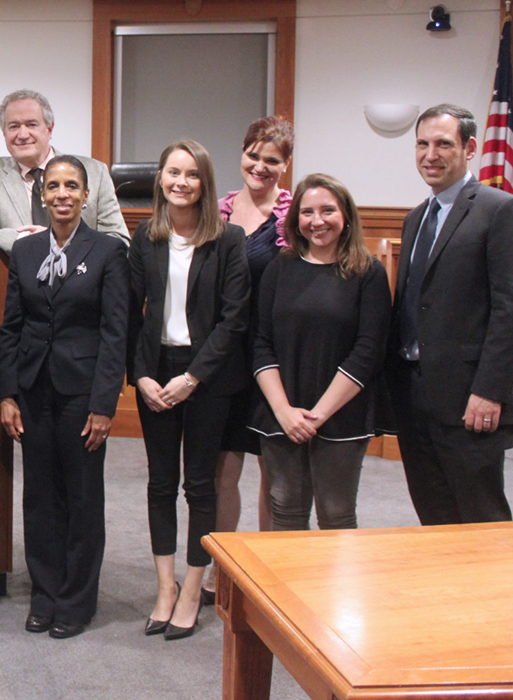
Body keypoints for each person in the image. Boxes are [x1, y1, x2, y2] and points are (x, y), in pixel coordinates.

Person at [0, 155, 129, 639]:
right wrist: (7, 393)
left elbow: (116, 334)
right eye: (53, 186)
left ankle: (76, 600)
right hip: (33, 390)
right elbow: (11, 327)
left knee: (81, 497)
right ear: (42, 194)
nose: (62, 194)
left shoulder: (108, 251)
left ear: (86, 194)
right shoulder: (27, 252)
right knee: (39, 497)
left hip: (82, 394)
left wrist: (104, 404)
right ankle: (45, 594)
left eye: (72, 186)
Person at [127, 140, 248, 640]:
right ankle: (165, 588)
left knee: (199, 485)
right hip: (156, 372)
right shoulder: (145, 237)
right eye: (172, 172)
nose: (181, 182)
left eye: (191, 174)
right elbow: (129, 313)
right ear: (160, 178)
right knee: (158, 484)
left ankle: (194, 589)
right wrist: (143, 376)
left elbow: (234, 319)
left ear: (205, 183)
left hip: (208, 377)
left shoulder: (229, 239)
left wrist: (192, 377)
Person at [388, 103, 513, 525]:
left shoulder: (500, 210)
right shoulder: (415, 218)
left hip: (469, 399)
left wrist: (490, 390)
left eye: (443, 144)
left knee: (481, 519)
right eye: (422, 144)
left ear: (469, 148)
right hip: (414, 396)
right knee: (434, 516)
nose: (431, 154)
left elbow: (512, 308)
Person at [250, 173, 391, 531]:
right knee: (285, 512)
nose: (317, 221)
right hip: (282, 415)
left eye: (328, 210)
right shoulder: (279, 268)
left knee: (337, 515)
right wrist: (283, 411)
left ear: (346, 216)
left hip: (341, 416)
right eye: (307, 212)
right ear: (296, 218)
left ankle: (334, 591)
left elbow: (367, 351)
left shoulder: (367, 272)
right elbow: (260, 343)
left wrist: (318, 416)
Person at [204, 116, 293, 604]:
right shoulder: (217, 212)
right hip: (225, 355)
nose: (260, 166)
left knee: (274, 472)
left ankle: (271, 572)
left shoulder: (295, 214)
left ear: (285, 165)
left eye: (272, 160)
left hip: (275, 356)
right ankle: (221, 570)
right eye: (253, 155)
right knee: (224, 470)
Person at [0, 89, 129, 253]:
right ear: (4, 133)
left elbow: (118, 240)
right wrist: (17, 239)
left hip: (83, 281)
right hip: (16, 281)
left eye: (32, 124)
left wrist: (61, 241)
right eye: (14, 126)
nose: (23, 134)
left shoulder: (95, 172)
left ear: (49, 129)